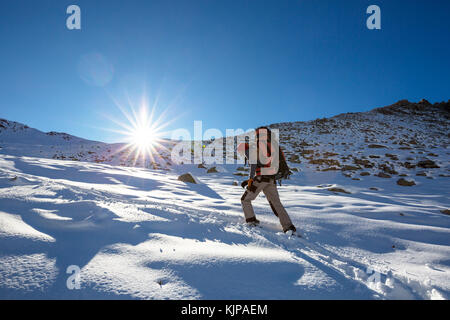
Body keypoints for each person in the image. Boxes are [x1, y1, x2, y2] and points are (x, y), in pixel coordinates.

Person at [237, 127, 297, 234]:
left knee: (245, 199)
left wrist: (251, 179)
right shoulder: (272, 145)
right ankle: (288, 227)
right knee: (277, 204)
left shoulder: (252, 148)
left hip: (261, 179)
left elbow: (253, 164)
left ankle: (251, 221)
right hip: (271, 180)